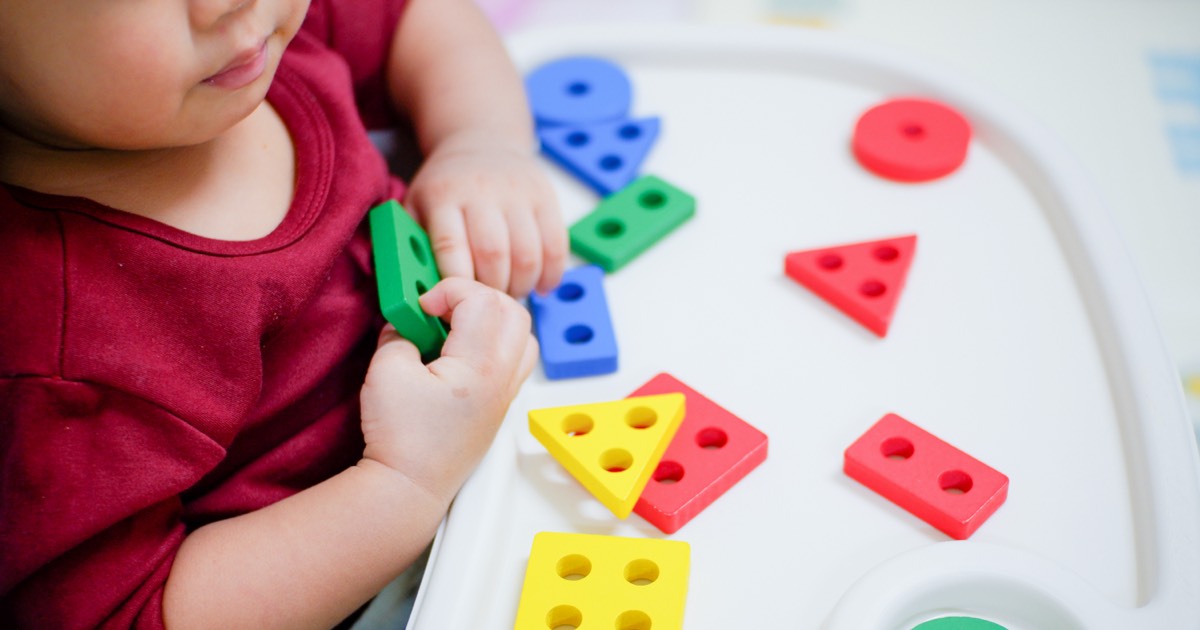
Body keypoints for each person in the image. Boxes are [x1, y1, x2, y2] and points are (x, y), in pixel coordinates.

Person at [0, 0, 566, 627]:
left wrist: (479, 143)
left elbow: (417, 16)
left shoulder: (248, 50)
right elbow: (127, 612)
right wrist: (406, 482)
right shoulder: (59, 353)